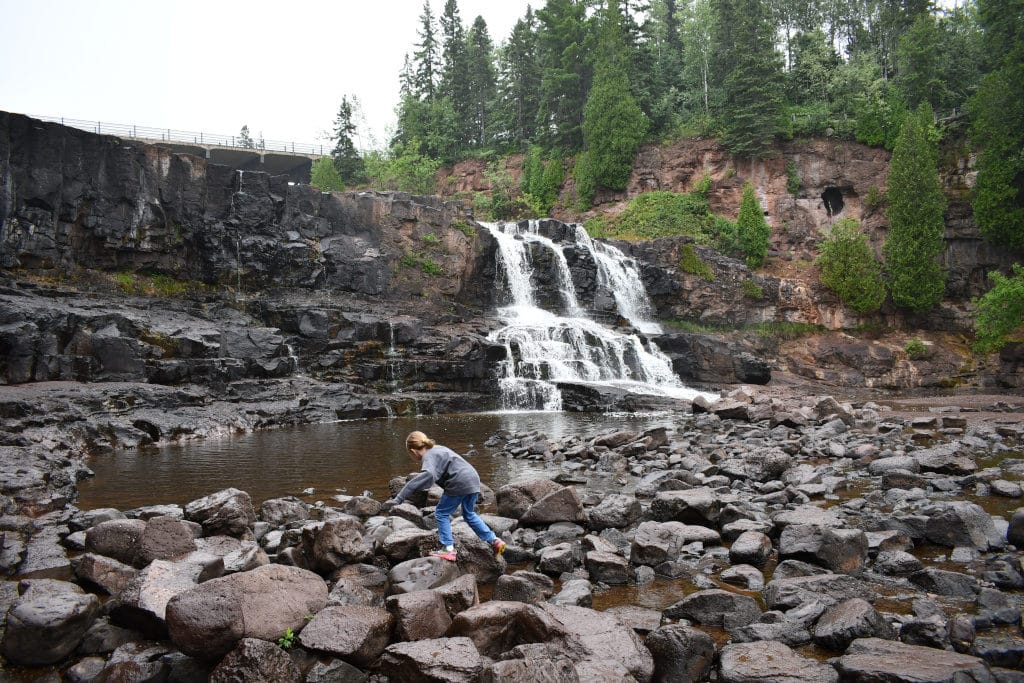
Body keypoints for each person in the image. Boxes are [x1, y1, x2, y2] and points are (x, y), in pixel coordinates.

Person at [384, 431, 506, 562]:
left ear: (413, 451)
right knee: (469, 513)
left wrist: (399, 498)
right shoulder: (439, 449)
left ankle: (448, 549)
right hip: (473, 479)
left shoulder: (429, 456)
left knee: (441, 513)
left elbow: (429, 475)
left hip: (459, 481)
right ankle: (494, 540)